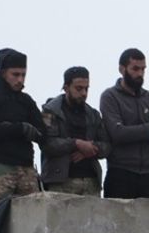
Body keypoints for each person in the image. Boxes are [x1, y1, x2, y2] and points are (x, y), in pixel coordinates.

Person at [0, 48, 47, 204]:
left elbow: (42, 133)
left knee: (32, 219)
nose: (20, 79)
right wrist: (19, 128)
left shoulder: (26, 101)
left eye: (23, 75)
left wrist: (24, 130)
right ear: (3, 73)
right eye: (15, 74)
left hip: (27, 171)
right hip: (1, 170)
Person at [99, 48, 149, 199]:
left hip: (147, 173)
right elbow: (118, 133)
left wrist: (148, 130)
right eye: (135, 69)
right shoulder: (110, 97)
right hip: (120, 173)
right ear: (122, 69)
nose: (140, 74)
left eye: (143, 69)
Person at [40, 66, 111, 196]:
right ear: (66, 88)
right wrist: (76, 143)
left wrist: (90, 149)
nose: (84, 93)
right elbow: (47, 144)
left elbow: (107, 145)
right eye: (79, 88)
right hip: (61, 182)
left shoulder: (93, 114)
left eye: (86, 88)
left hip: (91, 182)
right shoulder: (50, 111)